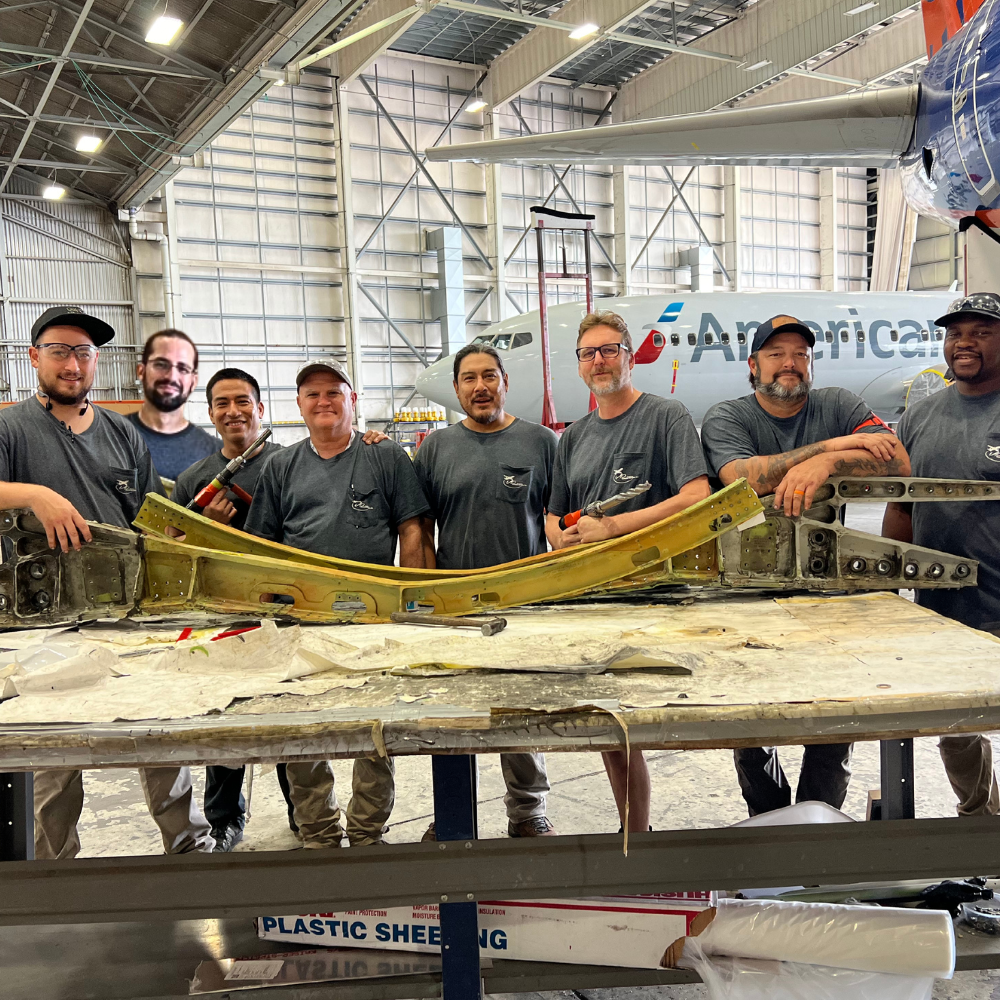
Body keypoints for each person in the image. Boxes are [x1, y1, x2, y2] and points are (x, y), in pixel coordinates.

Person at [0, 306, 214, 859]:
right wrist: (32, 495)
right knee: (55, 751)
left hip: (128, 611)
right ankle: (56, 867)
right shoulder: (11, 428)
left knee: (160, 733)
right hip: (46, 619)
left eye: (84, 353)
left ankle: (188, 850)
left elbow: (150, 514)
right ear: (33, 357)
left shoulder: (121, 434)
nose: (73, 364)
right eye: (60, 351)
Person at [701, 314, 911, 816]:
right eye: (776, 354)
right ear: (753, 366)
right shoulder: (727, 418)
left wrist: (827, 465)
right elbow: (745, 478)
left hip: (831, 592)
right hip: (748, 594)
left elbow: (898, 462)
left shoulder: (839, 404)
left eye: (801, 354)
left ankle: (819, 822)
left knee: (834, 717)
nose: (790, 363)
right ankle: (768, 820)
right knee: (750, 721)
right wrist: (835, 446)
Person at [244, 358, 430, 847]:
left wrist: (412, 607)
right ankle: (318, 834)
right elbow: (259, 547)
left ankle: (368, 833)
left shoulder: (386, 457)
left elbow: (412, 528)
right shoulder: (281, 466)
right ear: (299, 407)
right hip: (300, 623)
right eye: (313, 395)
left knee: (375, 732)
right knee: (301, 730)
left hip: (373, 618)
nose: (324, 402)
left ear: (353, 401)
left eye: (334, 392)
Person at [545, 310, 712, 833]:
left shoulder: (667, 417)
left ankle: (637, 842)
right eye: (589, 353)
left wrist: (616, 528)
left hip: (655, 595)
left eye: (610, 349)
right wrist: (561, 536)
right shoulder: (574, 436)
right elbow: (553, 513)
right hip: (593, 597)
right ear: (578, 366)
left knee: (635, 726)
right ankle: (632, 833)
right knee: (608, 724)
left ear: (630, 355)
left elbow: (696, 496)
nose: (600, 360)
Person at [413, 343, 559, 840]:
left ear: (504, 382)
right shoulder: (434, 448)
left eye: (489, 376)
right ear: (456, 389)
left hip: (523, 601)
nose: (480, 387)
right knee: (453, 714)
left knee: (519, 711)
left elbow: (558, 522)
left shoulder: (541, 443)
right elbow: (422, 527)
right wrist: (430, 597)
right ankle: (453, 813)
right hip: (455, 603)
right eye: (470, 379)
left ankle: (527, 811)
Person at [883, 292, 1000, 818]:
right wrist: (886, 586)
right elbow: (901, 508)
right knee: (955, 729)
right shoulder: (921, 416)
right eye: (956, 333)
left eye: (981, 331)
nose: (964, 342)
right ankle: (978, 818)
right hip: (942, 609)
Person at [172, 367, 287, 853]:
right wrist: (205, 528)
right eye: (222, 403)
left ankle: (304, 810)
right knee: (226, 717)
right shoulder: (194, 480)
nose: (233, 411)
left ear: (260, 409)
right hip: (222, 614)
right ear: (211, 414)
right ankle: (223, 819)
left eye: (243, 401)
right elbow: (175, 551)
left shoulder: (293, 462)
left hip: (287, 608)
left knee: (290, 718)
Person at [127, 329, 217, 482]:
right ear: (141, 371)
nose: (171, 377)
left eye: (183, 369)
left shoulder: (214, 452)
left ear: (193, 382)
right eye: (161, 365)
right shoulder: (113, 438)